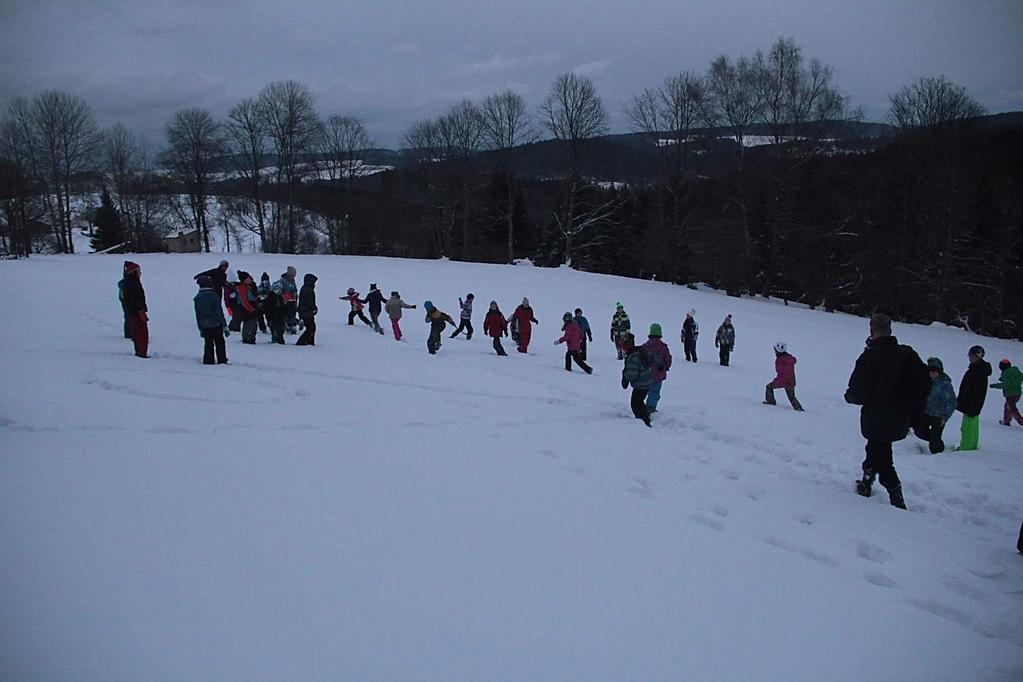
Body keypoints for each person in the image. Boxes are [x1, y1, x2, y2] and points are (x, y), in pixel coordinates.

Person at [845, 313, 930, 510]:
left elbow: (857, 392)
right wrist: (913, 407)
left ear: (872, 330)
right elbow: (925, 383)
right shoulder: (907, 354)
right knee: (875, 448)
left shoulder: (870, 356)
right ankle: (866, 481)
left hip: (876, 416)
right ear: (890, 331)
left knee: (882, 456)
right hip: (899, 417)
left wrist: (850, 397)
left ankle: (895, 495)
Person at [914, 357, 956, 454]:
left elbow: (951, 402)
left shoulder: (945, 384)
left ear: (936, 372)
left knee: (934, 442)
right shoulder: (929, 381)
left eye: (931, 372)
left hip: (939, 415)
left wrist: (945, 417)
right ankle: (937, 441)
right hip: (927, 412)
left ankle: (938, 454)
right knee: (920, 431)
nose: (929, 374)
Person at [956, 345, 991, 450]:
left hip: (971, 405)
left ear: (978, 356)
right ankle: (971, 446)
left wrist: (968, 404)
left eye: (971, 355)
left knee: (967, 428)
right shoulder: (978, 369)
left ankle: (966, 448)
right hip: (972, 405)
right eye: (969, 355)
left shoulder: (977, 371)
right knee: (972, 427)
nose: (969, 357)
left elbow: (976, 391)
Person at [194, 275, 229, 365]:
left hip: (204, 325)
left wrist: (200, 328)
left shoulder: (197, 297)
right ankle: (222, 360)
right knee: (219, 343)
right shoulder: (213, 295)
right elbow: (219, 311)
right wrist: (224, 325)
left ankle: (208, 360)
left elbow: (198, 315)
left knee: (208, 343)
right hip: (215, 324)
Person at [619, 333, 652, 427]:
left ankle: (643, 420)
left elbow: (632, 374)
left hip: (641, 384)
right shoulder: (639, 352)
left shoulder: (632, 357)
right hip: (648, 381)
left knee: (635, 403)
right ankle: (645, 414)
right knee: (639, 400)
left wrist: (625, 376)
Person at [764, 342, 804, 411]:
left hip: (783, 380)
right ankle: (799, 408)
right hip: (791, 380)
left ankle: (770, 402)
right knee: (791, 396)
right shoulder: (789, 358)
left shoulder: (780, 360)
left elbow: (782, 372)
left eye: (775, 350)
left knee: (769, 387)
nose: (775, 352)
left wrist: (778, 380)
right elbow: (793, 361)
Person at [642, 323, 672, 413]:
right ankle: (650, 408)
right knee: (654, 392)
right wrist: (666, 367)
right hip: (658, 375)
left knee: (645, 390)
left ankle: (642, 406)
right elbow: (668, 359)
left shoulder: (645, 347)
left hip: (646, 374)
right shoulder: (663, 347)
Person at [122, 260, 149, 358]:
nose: (140, 273)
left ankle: (140, 351)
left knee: (138, 333)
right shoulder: (133, 283)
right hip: (137, 313)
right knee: (141, 334)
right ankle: (141, 352)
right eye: (138, 271)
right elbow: (136, 299)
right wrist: (141, 311)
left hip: (134, 312)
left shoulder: (131, 282)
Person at [990, 358, 1023, 426]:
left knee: (1012, 409)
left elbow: (1006, 385)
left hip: (1011, 394)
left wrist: (995, 385)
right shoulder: (1015, 370)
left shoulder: (1005, 374)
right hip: (1017, 393)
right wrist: (1004, 379)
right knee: (1007, 407)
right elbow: (1017, 378)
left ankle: (1021, 421)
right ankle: (1006, 421)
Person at [234, 271, 259, 344]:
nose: (250, 279)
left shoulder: (250, 286)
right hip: (246, 309)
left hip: (252, 307)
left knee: (254, 324)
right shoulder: (241, 288)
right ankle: (247, 338)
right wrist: (252, 309)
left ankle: (251, 337)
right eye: (248, 278)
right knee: (249, 324)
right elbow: (244, 301)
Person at [295, 273, 318, 346]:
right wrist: (314, 308)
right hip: (306, 311)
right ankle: (302, 342)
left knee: (311, 327)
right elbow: (309, 301)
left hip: (306, 311)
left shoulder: (307, 288)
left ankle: (309, 342)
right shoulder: (307, 289)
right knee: (311, 328)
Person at [280, 266, 299, 334]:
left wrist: (295, 293)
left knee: (292, 312)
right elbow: (281, 291)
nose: (294, 276)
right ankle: (287, 324)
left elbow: (294, 289)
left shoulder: (292, 281)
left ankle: (291, 324)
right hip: (285, 301)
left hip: (292, 300)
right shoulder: (283, 281)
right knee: (286, 313)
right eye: (293, 275)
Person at [117, 268, 132, 339]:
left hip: (125, 301)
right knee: (128, 317)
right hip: (126, 302)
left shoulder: (125, 283)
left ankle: (129, 333)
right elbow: (123, 296)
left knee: (128, 317)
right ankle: (128, 334)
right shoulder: (126, 284)